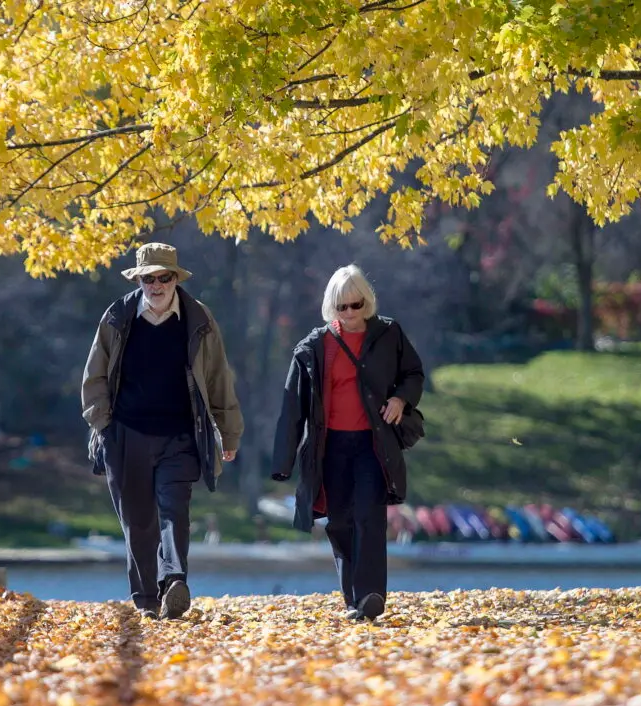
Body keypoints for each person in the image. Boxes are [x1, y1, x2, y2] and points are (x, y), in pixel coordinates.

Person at [82, 243, 244, 620]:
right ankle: (147, 600)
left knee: (175, 510)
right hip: (127, 433)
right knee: (138, 520)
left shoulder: (198, 318)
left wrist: (228, 433)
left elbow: (219, 378)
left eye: (163, 277)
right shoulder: (118, 316)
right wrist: (103, 426)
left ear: (175, 278)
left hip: (181, 435)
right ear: (138, 280)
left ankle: (174, 580)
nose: (156, 285)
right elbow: (95, 376)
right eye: (148, 278)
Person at [270, 264, 424, 621]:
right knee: (339, 522)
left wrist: (401, 399)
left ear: (367, 302)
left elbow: (413, 374)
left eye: (357, 304)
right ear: (331, 307)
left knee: (370, 517)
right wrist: (283, 462)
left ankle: (372, 595)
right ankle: (353, 599)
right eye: (343, 307)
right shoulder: (312, 348)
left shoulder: (389, 334)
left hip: (373, 445)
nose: (352, 313)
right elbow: (292, 406)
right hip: (330, 447)